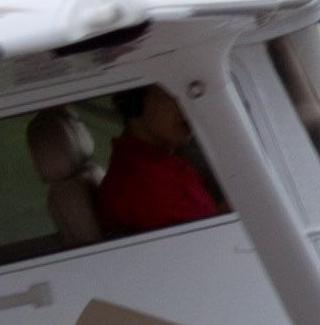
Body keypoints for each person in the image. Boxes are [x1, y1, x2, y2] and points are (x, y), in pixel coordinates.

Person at [93, 85, 224, 235]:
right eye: (167, 94)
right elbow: (203, 241)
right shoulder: (142, 178)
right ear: (134, 103)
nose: (185, 105)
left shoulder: (159, 162)